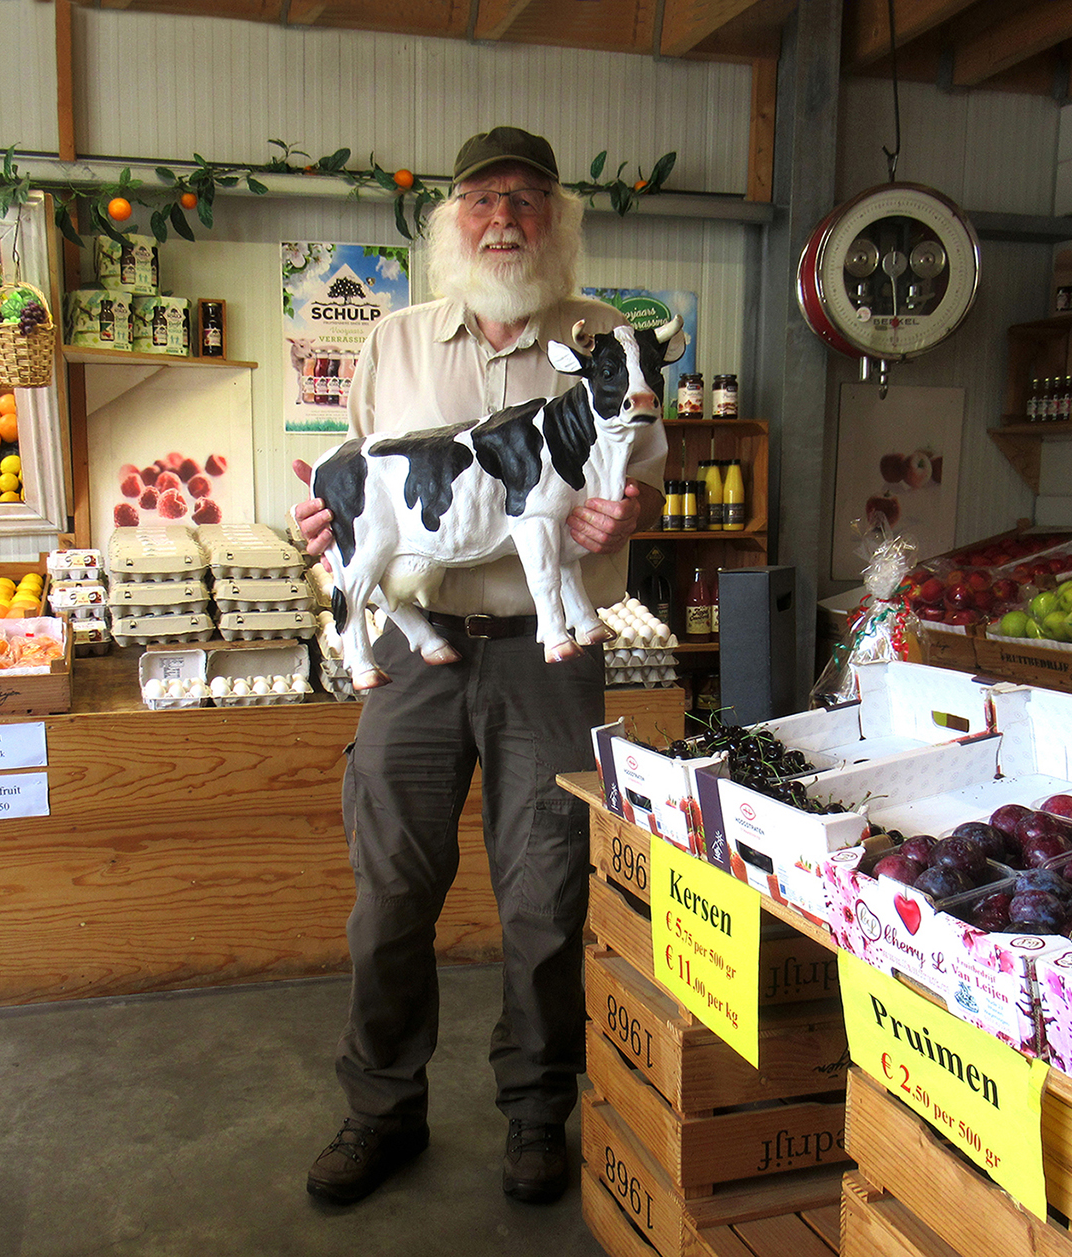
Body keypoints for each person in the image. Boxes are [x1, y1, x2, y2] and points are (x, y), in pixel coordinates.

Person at [291, 127, 668, 1207]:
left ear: (559, 218)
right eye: (482, 198)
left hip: (547, 660)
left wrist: (621, 511)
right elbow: (356, 488)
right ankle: (378, 1112)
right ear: (451, 218)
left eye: (527, 198)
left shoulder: (605, 338)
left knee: (549, 893)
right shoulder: (394, 344)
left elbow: (632, 481)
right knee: (392, 892)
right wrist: (321, 521)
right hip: (417, 661)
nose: (503, 216)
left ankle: (538, 1114)